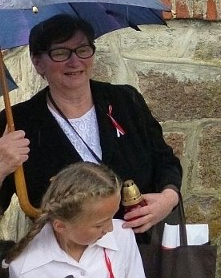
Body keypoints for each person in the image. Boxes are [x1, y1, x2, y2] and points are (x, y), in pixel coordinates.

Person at [0, 14, 182, 237]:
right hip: (65, 256)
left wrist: (168, 199)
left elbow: (165, 161)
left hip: (137, 247)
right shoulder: (17, 122)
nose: (74, 61)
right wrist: (1, 166)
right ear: (38, 63)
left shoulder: (125, 100)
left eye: (83, 49)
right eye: (60, 53)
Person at [4, 161, 145, 277]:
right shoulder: (26, 269)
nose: (110, 228)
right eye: (99, 225)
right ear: (60, 226)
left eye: (112, 216)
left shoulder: (123, 235)